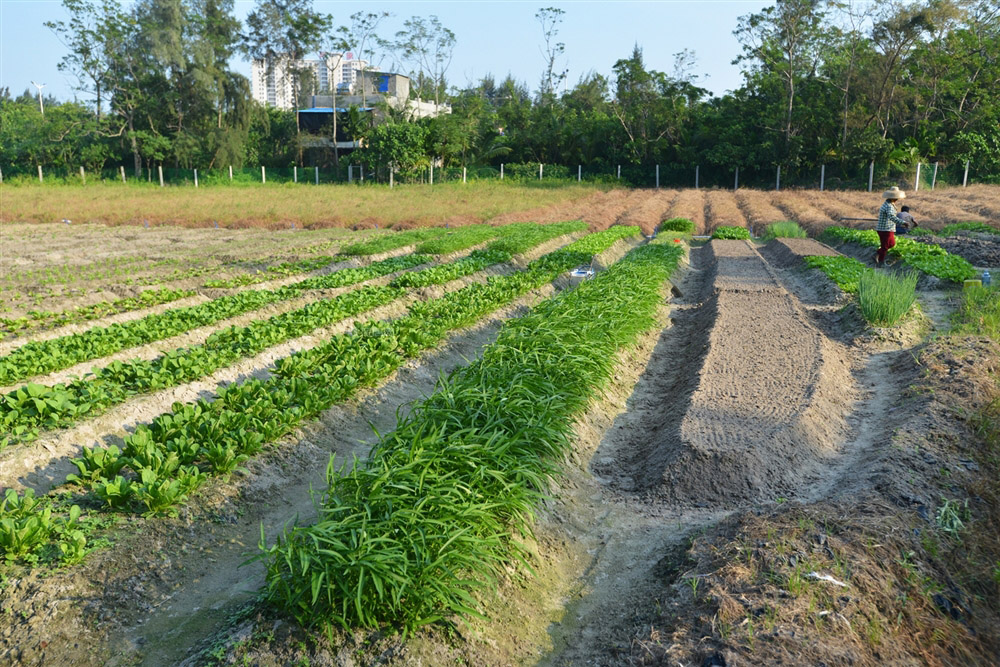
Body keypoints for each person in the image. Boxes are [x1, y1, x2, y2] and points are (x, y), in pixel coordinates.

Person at [876, 186, 906, 265]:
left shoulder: (889, 204)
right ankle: (880, 262)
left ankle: (877, 253)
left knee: (891, 244)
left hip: (888, 228)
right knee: (885, 246)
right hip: (885, 229)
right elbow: (892, 217)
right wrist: (903, 222)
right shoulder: (889, 206)